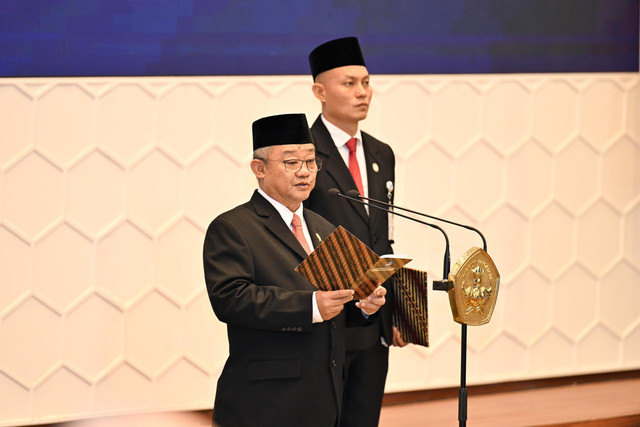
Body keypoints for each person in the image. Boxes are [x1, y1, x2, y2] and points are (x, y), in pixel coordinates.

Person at [202, 113, 387, 427]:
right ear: (259, 169)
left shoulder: (324, 228)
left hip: (326, 397)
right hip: (267, 400)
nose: (305, 172)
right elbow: (231, 299)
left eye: (312, 162)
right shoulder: (233, 227)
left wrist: (366, 305)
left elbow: (341, 303)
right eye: (291, 163)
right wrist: (310, 306)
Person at [305, 37, 406, 427]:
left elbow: (384, 233)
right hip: (326, 316)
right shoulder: (303, 152)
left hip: (373, 316)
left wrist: (395, 307)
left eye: (366, 82)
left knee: (363, 417)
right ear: (320, 91)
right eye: (349, 83)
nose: (362, 92)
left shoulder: (382, 153)